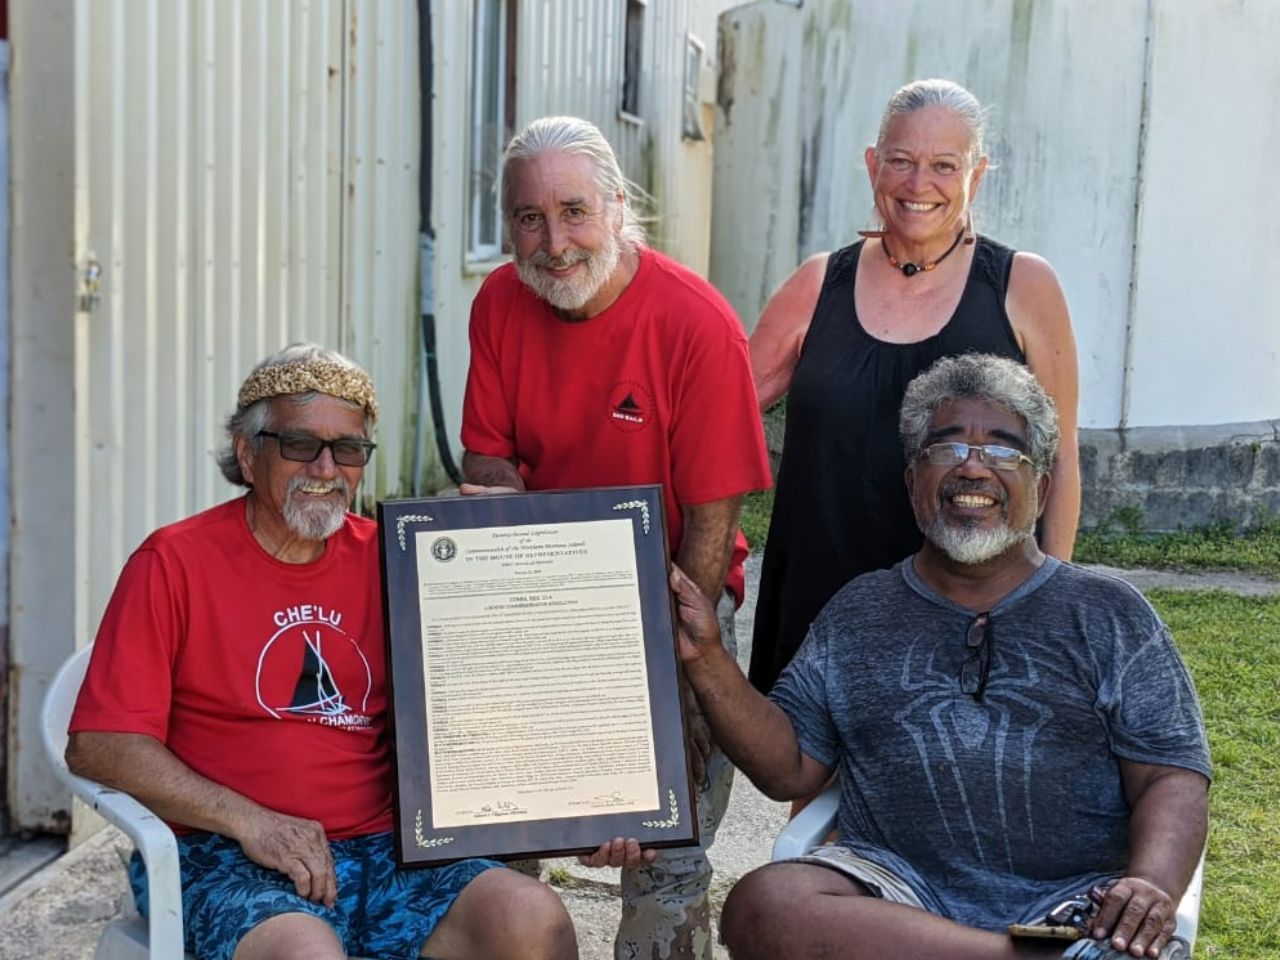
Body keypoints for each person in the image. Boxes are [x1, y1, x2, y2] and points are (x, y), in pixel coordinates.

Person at [671, 354, 1210, 960]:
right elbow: (788, 768)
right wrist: (706, 656)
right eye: (946, 450)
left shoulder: (1110, 613)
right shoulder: (860, 610)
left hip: (1074, 902)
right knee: (763, 905)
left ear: (1043, 488)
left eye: (1005, 451)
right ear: (912, 482)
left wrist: (1151, 886)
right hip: (897, 895)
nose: (974, 469)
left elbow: (1171, 774)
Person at [66, 344, 577, 960]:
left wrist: (499, 555)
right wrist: (252, 822)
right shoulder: (173, 563)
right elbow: (101, 745)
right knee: (306, 952)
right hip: (225, 852)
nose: (328, 468)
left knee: (531, 918)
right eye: (302, 445)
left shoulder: (400, 555)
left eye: (350, 449)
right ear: (249, 453)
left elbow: (493, 695)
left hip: (391, 848)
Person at [460, 116, 773, 960]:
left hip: (674, 604)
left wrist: (660, 692)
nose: (554, 242)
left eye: (574, 211)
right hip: (541, 604)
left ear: (618, 207)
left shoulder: (697, 324)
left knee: (662, 848)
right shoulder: (496, 301)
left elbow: (713, 524)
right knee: (495, 838)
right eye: (530, 218)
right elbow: (489, 461)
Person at [748, 78, 1082, 695]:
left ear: (976, 176)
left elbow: (1059, 458)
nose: (917, 183)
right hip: (824, 600)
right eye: (900, 160)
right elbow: (721, 413)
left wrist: (1047, 601)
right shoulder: (817, 284)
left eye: (943, 165)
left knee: (954, 782)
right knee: (812, 783)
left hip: (972, 604)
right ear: (874, 165)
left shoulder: (1024, 286)